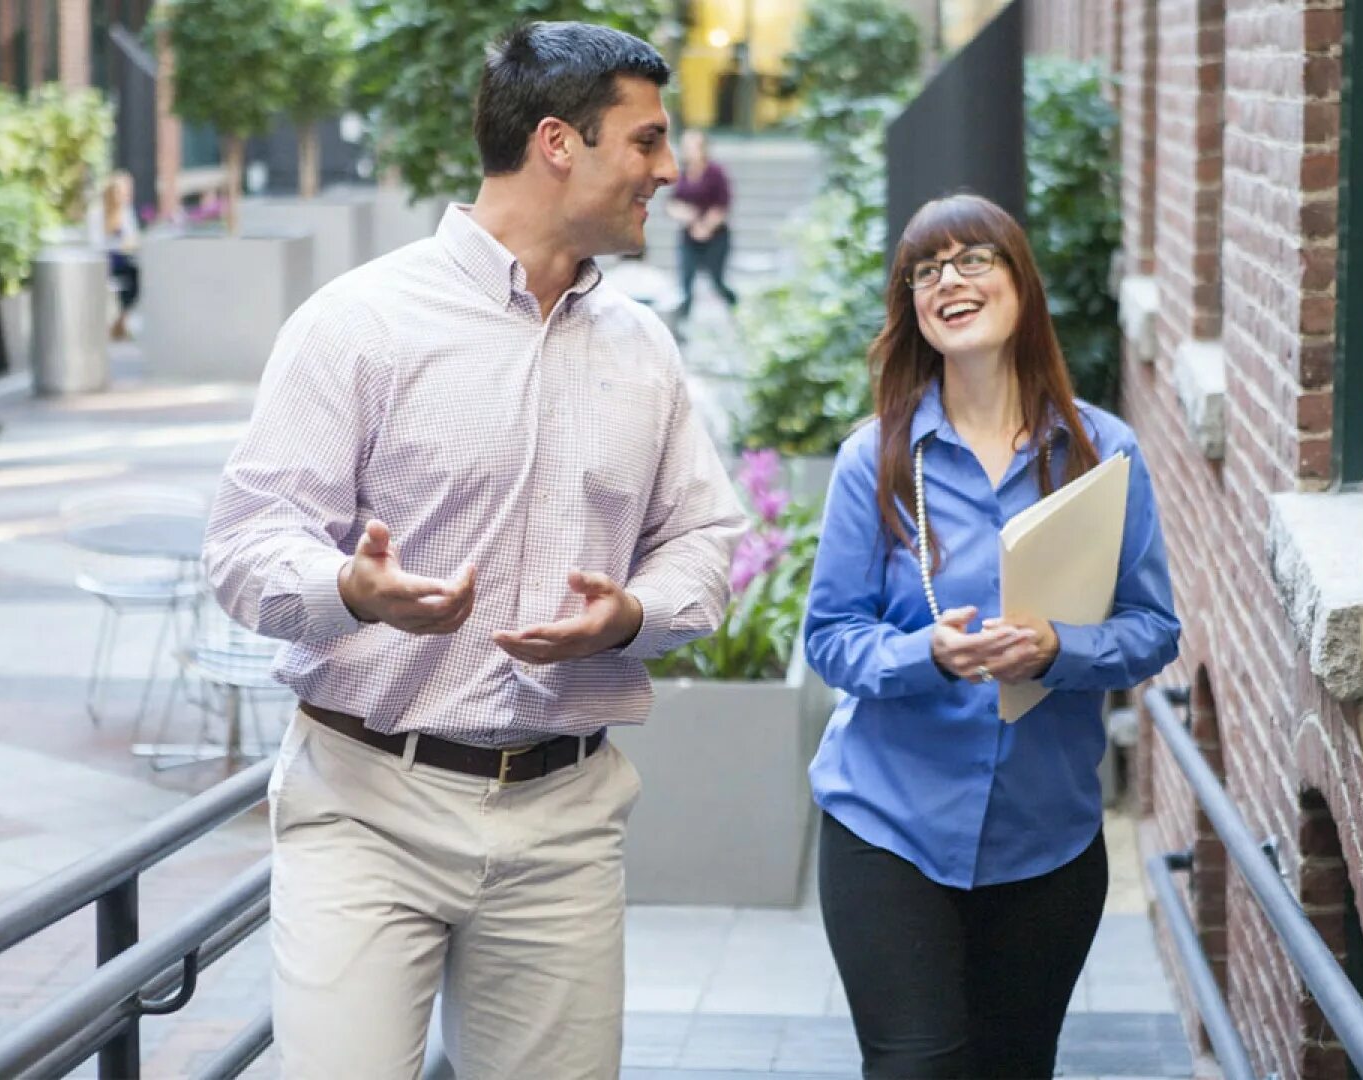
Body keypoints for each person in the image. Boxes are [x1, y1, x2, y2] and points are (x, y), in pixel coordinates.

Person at [201, 21, 746, 1080]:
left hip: (565, 819)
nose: (669, 170)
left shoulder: (643, 349)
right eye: (644, 141)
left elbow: (705, 538)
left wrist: (632, 617)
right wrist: (348, 590)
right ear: (558, 143)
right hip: (365, 807)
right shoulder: (357, 323)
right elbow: (243, 544)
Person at [802, 192, 1182, 1080]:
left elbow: (1153, 629)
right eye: (926, 270)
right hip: (889, 825)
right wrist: (924, 654)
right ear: (913, 310)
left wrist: (1061, 648)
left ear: (1022, 286)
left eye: (976, 258)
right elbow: (830, 638)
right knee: (919, 1067)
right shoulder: (878, 459)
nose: (950, 280)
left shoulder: (1101, 453)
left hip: (1045, 841)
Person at [666, 128, 738, 333]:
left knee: (717, 281)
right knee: (685, 284)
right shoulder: (683, 173)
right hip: (689, 236)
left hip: (715, 236)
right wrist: (685, 215)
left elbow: (723, 204)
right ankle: (681, 330)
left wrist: (706, 226)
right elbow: (673, 202)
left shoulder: (715, 172)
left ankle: (736, 310)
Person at [101, 170, 140, 340]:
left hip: (124, 261)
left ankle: (120, 322)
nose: (123, 196)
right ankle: (119, 325)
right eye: (120, 191)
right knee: (127, 276)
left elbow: (133, 237)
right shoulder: (97, 213)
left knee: (136, 277)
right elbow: (97, 244)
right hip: (104, 262)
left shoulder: (126, 212)